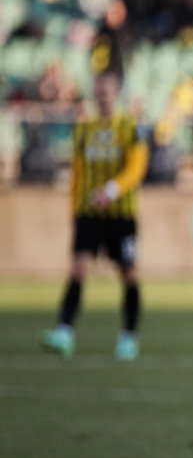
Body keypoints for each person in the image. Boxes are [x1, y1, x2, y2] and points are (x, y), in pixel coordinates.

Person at [40, 72, 147, 361]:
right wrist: (74, 210)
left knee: (128, 272)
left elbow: (137, 168)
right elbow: (77, 171)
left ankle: (129, 335)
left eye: (106, 92)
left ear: (116, 93)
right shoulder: (84, 129)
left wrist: (111, 190)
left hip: (121, 214)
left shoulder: (130, 127)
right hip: (88, 213)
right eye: (98, 92)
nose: (102, 97)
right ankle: (64, 331)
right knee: (78, 268)